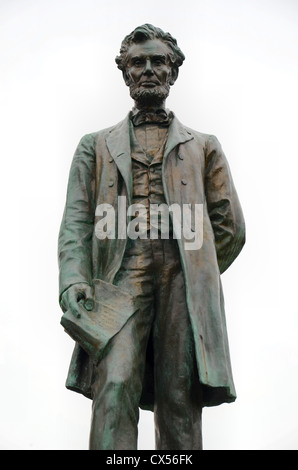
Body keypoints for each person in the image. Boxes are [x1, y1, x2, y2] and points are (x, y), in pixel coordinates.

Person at [58, 24, 245, 450]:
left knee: (179, 397)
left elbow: (230, 227)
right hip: (118, 278)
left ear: (173, 72)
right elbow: (76, 221)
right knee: (115, 383)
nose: (147, 69)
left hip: (182, 279)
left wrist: (196, 269)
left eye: (158, 61)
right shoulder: (95, 145)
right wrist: (73, 278)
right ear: (124, 73)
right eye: (137, 62)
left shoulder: (204, 146)